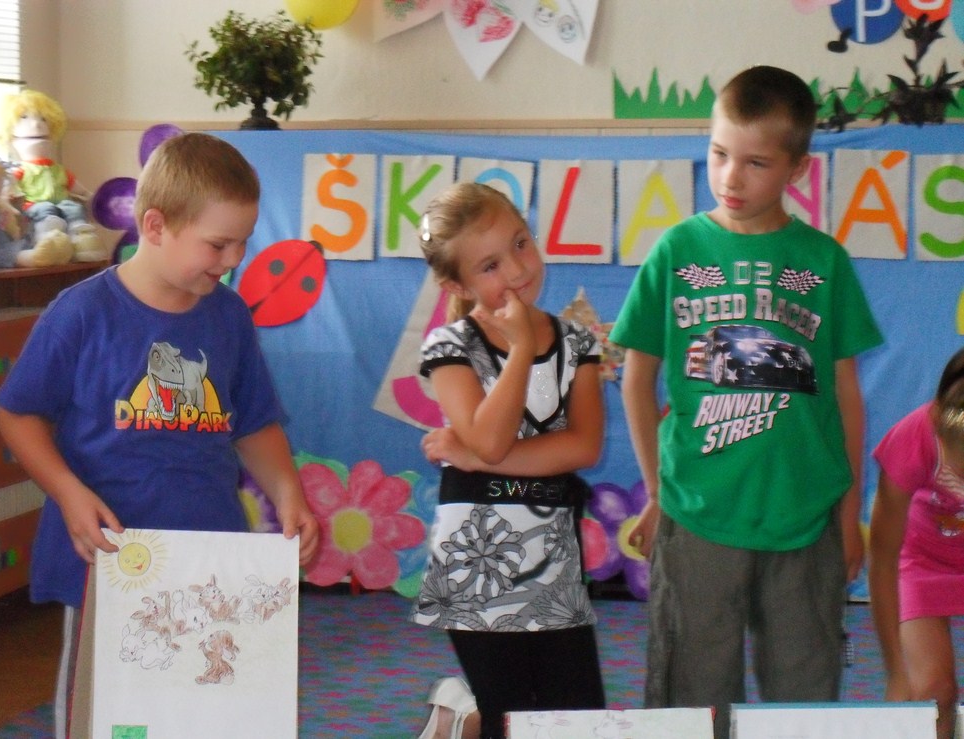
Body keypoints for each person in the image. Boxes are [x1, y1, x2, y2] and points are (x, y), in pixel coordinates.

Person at [0, 132, 319, 738]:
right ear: (155, 225)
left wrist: (288, 493)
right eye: (218, 244)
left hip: (209, 559)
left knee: (202, 713)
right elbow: (19, 414)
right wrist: (68, 492)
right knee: (103, 716)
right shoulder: (80, 313)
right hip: (108, 564)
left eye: (243, 242)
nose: (233, 259)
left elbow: (253, 422)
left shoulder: (228, 315)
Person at [608, 65, 883, 739]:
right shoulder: (677, 250)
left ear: (797, 168)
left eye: (756, 162)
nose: (730, 178)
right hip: (698, 513)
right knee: (691, 696)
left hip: (805, 514)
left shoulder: (822, 260)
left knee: (804, 690)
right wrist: (657, 490)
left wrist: (849, 511)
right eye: (718, 154)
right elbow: (636, 379)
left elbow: (846, 395)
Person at [410, 182, 606, 738]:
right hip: (477, 561)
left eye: (521, 243)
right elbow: (493, 438)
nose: (518, 270)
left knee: (577, 716)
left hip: (552, 556)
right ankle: (472, 713)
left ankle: (462, 712)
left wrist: (475, 459)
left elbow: (582, 447)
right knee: (510, 714)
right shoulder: (450, 346)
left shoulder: (577, 343)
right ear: (458, 285)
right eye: (490, 265)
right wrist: (520, 349)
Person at [869, 347, 964, 739]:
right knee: (931, 695)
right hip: (923, 563)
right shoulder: (912, 438)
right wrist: (896, 671)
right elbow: (883, 560)